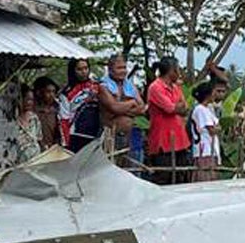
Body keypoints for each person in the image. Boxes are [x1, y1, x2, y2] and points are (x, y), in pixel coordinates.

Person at [143, 57, 191, 185]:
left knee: (181, 177)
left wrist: (177, 107)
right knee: (164, 178)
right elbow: (171, 109)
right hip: (163, 141)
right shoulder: (155, 87)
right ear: (172, 71)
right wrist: (176, 107)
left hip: (179, 140)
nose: (180, 72)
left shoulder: (175, 87)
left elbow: (184, 108)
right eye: (178, 69)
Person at [97, 56, 146, 165]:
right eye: (119, 68)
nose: (123, 71)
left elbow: (142, 108)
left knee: (129, 169)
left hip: (129, 136)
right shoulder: (103, 87)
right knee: (110, 168)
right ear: (110, 69)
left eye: (124, 67)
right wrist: (132, 103)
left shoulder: (129, 85)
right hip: (110, 137)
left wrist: (121, 109)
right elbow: (114, 107)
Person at [58, 58, 103, 151]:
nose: (84, 72)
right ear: (73, 71)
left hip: (97, 135)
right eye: (79, 69)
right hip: (76, 136)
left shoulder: (98, 86)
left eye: (86, 68)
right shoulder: (66, 93)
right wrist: (65, 143)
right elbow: (64, 120)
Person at [190, 78, 226, 181]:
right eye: (214, 92)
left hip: (210, 149)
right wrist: (218, 128)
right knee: (206, 178)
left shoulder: (208, 109)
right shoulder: (201, 110)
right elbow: (212, 130)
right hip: (204, 150)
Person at [31, 77, 62, 150]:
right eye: (48, 92)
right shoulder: (33, 110)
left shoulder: (57, 110)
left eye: (53, 92)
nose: (51, 95)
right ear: (39, 92)